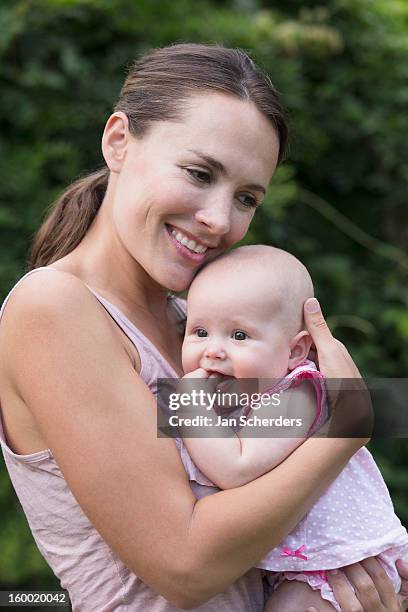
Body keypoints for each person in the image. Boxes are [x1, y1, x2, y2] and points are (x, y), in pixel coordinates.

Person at [0, 42, 407, 611]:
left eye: (245, 198)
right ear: (118, 141)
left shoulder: (195, 326)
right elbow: (184, 565)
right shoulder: (54, 308)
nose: (219, 219)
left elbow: (297, 426)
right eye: (198, 172)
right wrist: (347, 424)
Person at [174, 244, 408, 611]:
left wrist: (189, 405)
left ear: (295, 351)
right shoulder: (240, 396)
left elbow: (235, 469)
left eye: (239, 336)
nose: (213, 350)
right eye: (200, 331)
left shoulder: (299, 394)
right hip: (309, 561)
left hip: (341, 566)